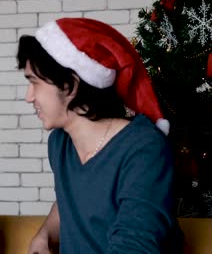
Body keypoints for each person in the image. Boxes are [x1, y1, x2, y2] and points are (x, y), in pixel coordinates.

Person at [17, 18, 182, 253]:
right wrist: (44, 236)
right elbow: (70, 202)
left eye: (35, 82)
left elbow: (134, 248)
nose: (29, 97)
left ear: (70, 86)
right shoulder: (60, 143)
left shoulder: (144, 148)